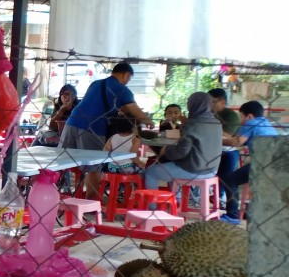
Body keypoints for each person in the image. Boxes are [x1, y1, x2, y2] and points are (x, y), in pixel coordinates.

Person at [60, 62, 152, 198]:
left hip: (72, 122)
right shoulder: (122, 90)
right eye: (129, 78)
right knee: (94, 166)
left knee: (61, 161)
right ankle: (89, 202)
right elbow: (136, 112)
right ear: (126, 75)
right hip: (92, 127)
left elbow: (95, 104)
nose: (127, 82)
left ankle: (54, 193)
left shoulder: (95, 84)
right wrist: (149, 122)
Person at [143, 92, 222, 192]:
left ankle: (154, 202)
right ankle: (177, 198)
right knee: (173, 165)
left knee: (150, 172)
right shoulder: (217, 123)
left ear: (191, 105)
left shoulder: (191, 124)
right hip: (212, 170)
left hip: (192, 170)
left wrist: (167, 150)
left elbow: (182, 151)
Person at [219, 100, 280, 223]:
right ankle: (250, 211)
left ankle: (232, 215)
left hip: (262, 164)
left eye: (241, 116)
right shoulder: (266, 123)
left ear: (249, 116)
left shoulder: (250, 123)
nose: (240, 120)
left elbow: (237, 142)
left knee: (229, 180)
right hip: (275, 164)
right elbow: (238, 140)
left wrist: (216, 140)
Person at [208, 87, 242, 218]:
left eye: (212, 101)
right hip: (209, 150)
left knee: (228, 179)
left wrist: (207, 130)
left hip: (227, 151)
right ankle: (215, 198)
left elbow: (227, 136)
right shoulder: (206, 114)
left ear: (222, 102)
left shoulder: (230, 115)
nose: (208, 104)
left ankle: (230, 211)